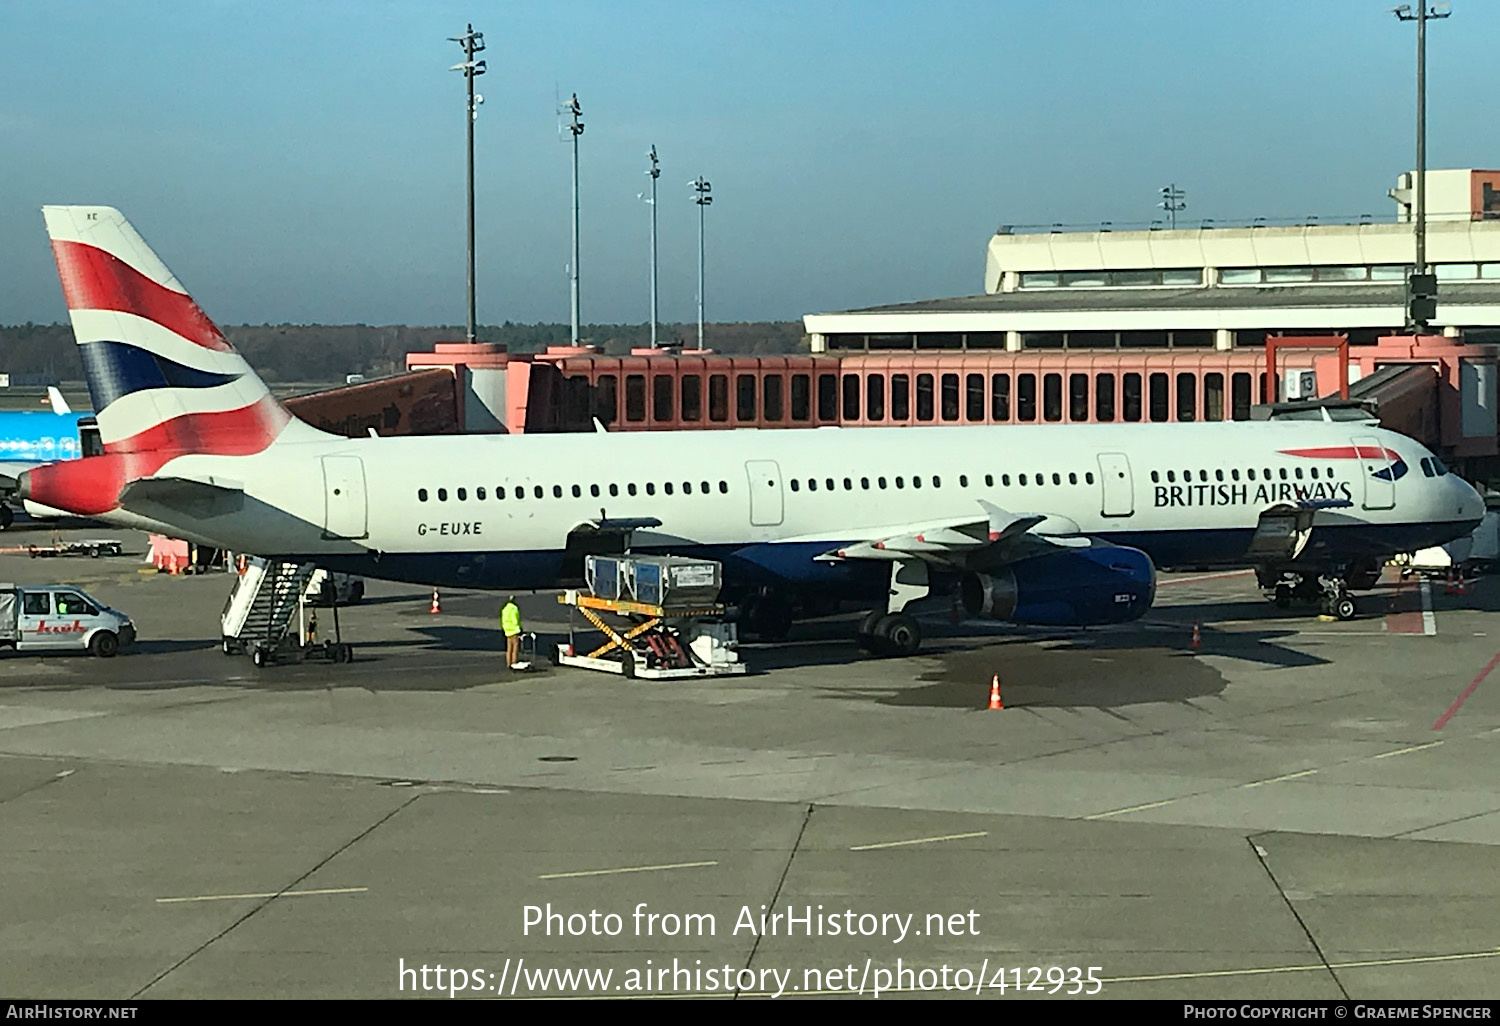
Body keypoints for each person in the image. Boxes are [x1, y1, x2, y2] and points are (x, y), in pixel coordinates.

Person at [500, 596, 522, 667]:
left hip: (507, 630)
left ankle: (508, 663)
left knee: (509, 648)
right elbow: (515, 620)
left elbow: (503, 620)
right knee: (515, 648)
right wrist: (519, 629)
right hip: (514, 630)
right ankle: (514, 663)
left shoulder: (504, 609)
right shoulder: (514, 608)